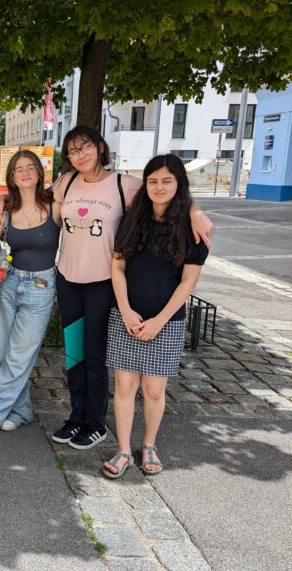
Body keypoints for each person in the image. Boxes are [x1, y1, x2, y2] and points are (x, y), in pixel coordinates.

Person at [0, 128, 212, 450]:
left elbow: (163, 189)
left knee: (94, 355)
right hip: (68, 278)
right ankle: (77, 415)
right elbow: (32, 194)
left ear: (100, 148)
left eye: (85, 148)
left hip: (102, 282)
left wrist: (195, 211)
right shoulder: (66, 183)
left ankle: (96, 422)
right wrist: (3, 197)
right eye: (72, 151)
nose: (80, 155)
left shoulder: (123, 184)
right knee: (74, 353)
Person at [102, 154, 208, 478]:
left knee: (153, 390)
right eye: (152, 181)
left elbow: (189, 281)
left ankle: (148, 444)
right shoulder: (132, 220)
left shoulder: (192, 228)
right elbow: (117, 267)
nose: (159, 187)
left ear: (179, 184)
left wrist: (160, 320)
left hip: (167, 321)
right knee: (123, 386)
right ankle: (123, 450)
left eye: (166, 181)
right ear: (145, 184)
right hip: (126, 315)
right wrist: (125, 309)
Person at [0, 151, 59, 440]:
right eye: (19, 169)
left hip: (40, 287)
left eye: (31, 167)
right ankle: (21, 411)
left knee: (18, 358)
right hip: (7, 283)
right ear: (12, 177)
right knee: (4, 354)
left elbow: (72, 183)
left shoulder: (54, 206)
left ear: (40, 173)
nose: (26, 172)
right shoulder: (4, 210)